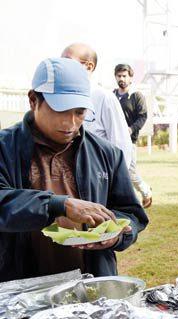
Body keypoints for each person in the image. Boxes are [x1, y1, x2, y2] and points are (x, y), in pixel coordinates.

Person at [0, 58, 148, 282]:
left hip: (91, 287)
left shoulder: (107, 154)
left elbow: (132, 213)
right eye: (61, 110)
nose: (70, 123)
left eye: (79, 112)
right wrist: (59, 205)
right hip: (21, 287)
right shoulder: (4, 148)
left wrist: (117, 235)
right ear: (33, 100)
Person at [61, 44, 134, 182]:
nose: (62, 66)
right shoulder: (62, 97)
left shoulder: (103, 97)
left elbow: (121, 144)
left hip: (96, 178)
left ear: (89, 67)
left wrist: (115, 183)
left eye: (68, 61)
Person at [113, 63, 153, 208]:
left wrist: (131, 129)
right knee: (115, 172)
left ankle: (146, 191)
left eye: (124, 76)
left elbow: (143, 117)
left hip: (130, 141)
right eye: (119, 76)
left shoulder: (137, 96)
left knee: (130, 173)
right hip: (113, 141)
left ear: (130, 78)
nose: (121, 79)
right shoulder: (112, 95)